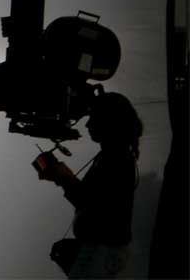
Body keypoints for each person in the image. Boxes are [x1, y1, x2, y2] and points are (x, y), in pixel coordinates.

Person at [40, 91, 143, 278]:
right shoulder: (113, 155)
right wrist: (65, 177)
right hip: (100, 251)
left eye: (93, 118)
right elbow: (95, 199)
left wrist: (65, 178)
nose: (87, 124)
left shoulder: (117, 159)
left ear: (109, 122)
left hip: (100, 253)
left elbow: (93, 205)